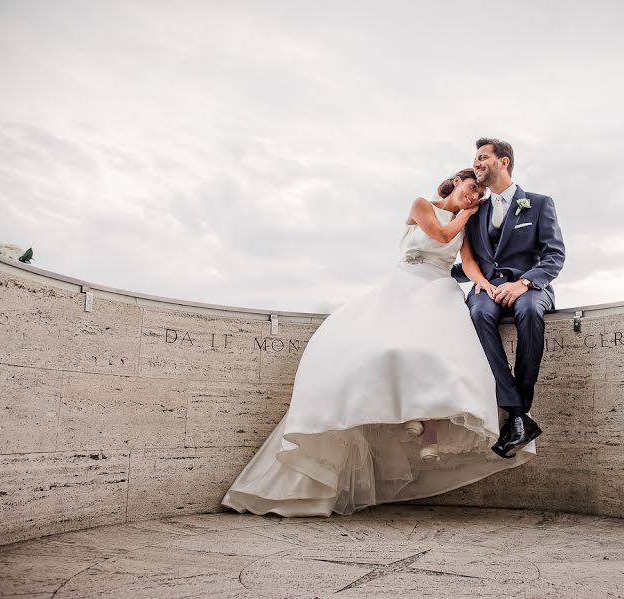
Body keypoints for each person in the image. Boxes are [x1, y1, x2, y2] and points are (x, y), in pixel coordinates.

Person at [223, 168, 535, 517]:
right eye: (472, 187)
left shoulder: (466, 223)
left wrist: (485, 285)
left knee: (433, 350)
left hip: (436, 289)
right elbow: (439, 232)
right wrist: (468, 213)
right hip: (404, 285)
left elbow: (468, 262)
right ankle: (413, 417)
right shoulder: (423, 205)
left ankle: (426, 423)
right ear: (456, 182)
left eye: (480, 193)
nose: (475, 195)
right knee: (382, 349)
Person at [452, 138, 566, 459]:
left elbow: (554, 255)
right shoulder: (475, 212)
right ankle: (517, 414)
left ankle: (518, 412)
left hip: (529, 289)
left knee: (530, 311)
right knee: (477, 312)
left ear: (503, 162)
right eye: (475, 158)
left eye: (482, 157)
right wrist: (431, 272)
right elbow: (469, 263)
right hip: (487, 289)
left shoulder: (539, 203)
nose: (476, 163)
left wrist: (526, 283)